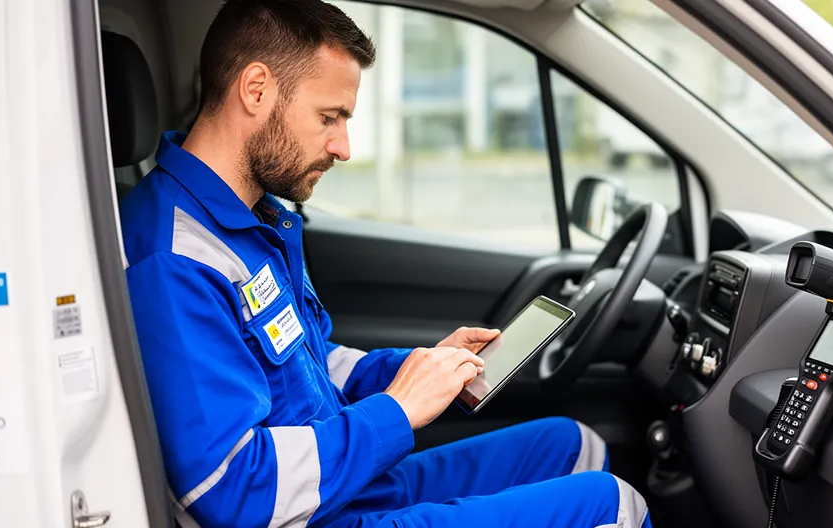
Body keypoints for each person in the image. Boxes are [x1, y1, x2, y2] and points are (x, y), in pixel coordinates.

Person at [120, 0, 652, 526]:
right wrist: (397, 410)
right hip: (317, 516)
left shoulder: (251, 218)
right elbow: (232, 488)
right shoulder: (172, 257)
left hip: (344, 487)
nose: (343, 146)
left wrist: (417, 368)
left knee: (569, 444)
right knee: (614, 505)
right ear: (255, 89)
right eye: (329, 117)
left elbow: (308, 363)